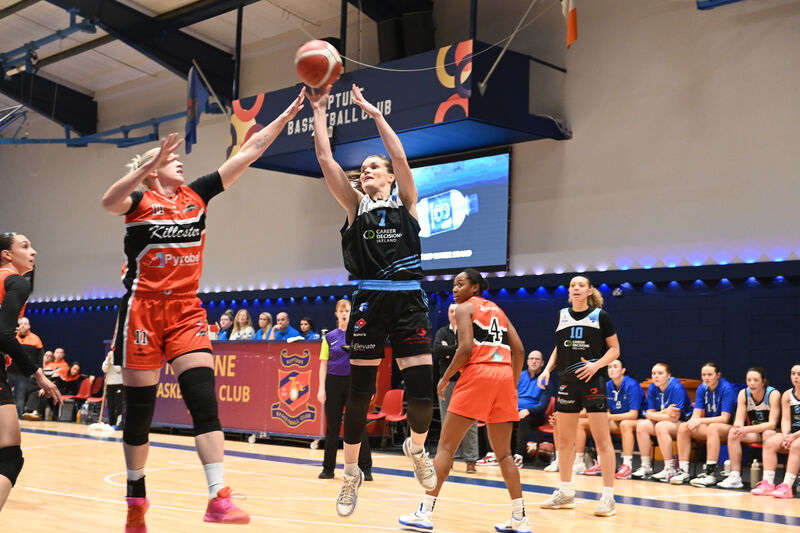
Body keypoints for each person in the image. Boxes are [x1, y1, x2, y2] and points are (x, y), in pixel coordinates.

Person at [100, 89, 305, 531]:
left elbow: (249, 151)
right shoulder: (139, 202)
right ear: (151, 171)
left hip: (187, 311)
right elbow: (108, 202)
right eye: (169, 161)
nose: (179, 163)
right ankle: (136, 494)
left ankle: (218, 498)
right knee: (140, 414)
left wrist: (285, 116)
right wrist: (147, 168)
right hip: (142, 312)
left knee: (204, 402)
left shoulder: (196, 195)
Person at [309, 83, 436, 518]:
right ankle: (350, 477)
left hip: (409, 301)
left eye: (374, 166)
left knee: (421, 393)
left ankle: (416, 448)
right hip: (368, 301)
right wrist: (320, 111)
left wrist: (375, 114)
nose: (367, 170)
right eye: (363, 168)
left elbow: (399, 157)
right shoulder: (355, 206)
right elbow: (325, 159)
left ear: (389, 176)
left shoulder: (407, 202)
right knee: (359, 395)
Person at [399, 270, 528, 533]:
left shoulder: (464, 308)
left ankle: (425, 513)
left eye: (461, 284)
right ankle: (520, 518)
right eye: (454, 284)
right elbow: (520, 350)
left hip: (478, 374)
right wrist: (512, 384)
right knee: (504, 454)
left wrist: (445, 377)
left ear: (475, 287)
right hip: (504, 376)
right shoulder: (499, 311)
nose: (455, 289)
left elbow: (466, 348)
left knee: (446, 448)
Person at [537, 275, 620, 517]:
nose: (576, 288)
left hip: (593, 382)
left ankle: (608, 498)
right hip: (567, 382)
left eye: (581, 285)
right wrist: (547, 369)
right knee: (564, 440)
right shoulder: (562, 315)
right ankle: (565, 492)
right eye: (572, 285)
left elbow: (615, 349)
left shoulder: (600, 316)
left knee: (602, 440)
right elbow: (559, 347)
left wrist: (596, 365)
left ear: (589, 291)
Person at [0, 232, 61, 511]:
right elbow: (3, 334)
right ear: (6, 255)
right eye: (25, 246)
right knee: (9, 457)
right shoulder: (15, 281)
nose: (33, 252)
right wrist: (38, 374)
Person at [317, 299, 372, 481]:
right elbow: (323, 365)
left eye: (347, 311)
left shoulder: (360, 335)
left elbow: (367, 362)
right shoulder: (329, 337)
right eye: (341, 311)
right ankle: (328, 468)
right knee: (332, 426)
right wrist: (321, 389)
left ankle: (365, 468)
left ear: (352, 313)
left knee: (358, 424)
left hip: (354, 382)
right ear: (336, 314)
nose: (344, 314)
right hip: (333, 383)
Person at [668, 362, 737, 485]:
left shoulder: (727, 388)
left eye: (710, 374)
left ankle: (710, 474)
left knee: (713, 428)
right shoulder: (702, 388)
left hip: (729, 428)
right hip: (710, 426)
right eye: (703, 375)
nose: (706, 378)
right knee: (684, 427)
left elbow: (725, 418)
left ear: (718, 375)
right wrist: (692, 422)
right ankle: (683, 471)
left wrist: (699, 421)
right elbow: (696, 414)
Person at [575, 358, 644, 478]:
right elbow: (605, 410)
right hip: (617, 420)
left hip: (637, 421)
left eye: (615, 367)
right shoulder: (607, 385)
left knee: (625, 424)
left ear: (623, 370)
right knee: (587, 423)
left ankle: (627, 465)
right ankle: (585, 462)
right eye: (609, 367)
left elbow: (633, 414)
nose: (612, 369)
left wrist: (610, 417)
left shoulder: (631, 385)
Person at [713, 367, 779, 489]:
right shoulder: (743, 393)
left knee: (768, 433)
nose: (752, 383)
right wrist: (738, 427)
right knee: (733, 432)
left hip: (774, 432)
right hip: (755, 432)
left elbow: (772, 424)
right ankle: (735, 476)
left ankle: (767, 481)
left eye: (756, 380)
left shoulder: (773, 394)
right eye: (749, 380)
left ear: (763, 382)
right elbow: (738, 420)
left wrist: (747, 429)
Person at [434, 303, 478, 473]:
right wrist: (457, 350)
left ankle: (471, 460)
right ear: (448, 314)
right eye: (451, 311)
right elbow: (437, 350)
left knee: (470, 422)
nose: (454, 314)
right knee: (447, 422)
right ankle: (447, 459)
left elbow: (469, 352)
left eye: (456, 311)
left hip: (467, 382)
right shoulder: (442, 332)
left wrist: (449, 350)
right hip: (447, 383)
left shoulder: (469, 331)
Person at [632, 363, 692, 480]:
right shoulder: (652, 387)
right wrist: (664, 412)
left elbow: (674, 418)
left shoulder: (677, 387)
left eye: (660, 373)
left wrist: (653, 415)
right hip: (664, 421)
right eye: (654, 373)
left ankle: (670, 468)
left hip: (682, 423)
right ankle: (646, 467)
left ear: (668, 375)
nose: (656, 376)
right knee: (642, 425)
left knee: (661, 426)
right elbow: (648, 414)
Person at [751, 364, 800, 497]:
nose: (796, 377)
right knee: (770, 443)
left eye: (799, 374)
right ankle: (768, 484)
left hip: (797, 436)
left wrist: (793, 437)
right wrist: (785, 436)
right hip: (793, 434)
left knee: (796, 445)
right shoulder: (787, 395)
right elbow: (786, 420)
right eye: (793, 374)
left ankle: (787, 487)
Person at [515, 350, 556, 468]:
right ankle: (493, 454)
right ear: (527, 361)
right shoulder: (519, 376)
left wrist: (528, 411)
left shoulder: (545, 380)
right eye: (531, 359)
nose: (534, 361)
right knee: (495, 417)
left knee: (524, 420)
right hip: (515, 411)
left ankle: (519, 456)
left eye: (537, 359)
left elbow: (543, 406)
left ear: (542, 363)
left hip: (535, 415)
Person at [6, 317, 43, 418]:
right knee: (4, 393)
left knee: (20, 395)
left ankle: (18, 416)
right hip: (8, 372)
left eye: (25, 323)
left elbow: (40, 356)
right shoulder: (11, 336)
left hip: (23, 374)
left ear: (29, 326)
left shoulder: (36, 339)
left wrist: (40, 367)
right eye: (21, 323)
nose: (22, 325)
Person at [102, 350, 125, 428]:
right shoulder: (108, 357)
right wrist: (108, 359)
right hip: (109, 384)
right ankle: (111, 422)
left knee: (118, 404)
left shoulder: (120, 357)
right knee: (110, 404)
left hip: (118, 383)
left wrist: (112, 359)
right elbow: (104, 369)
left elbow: (118, 369)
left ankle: (118, 423)